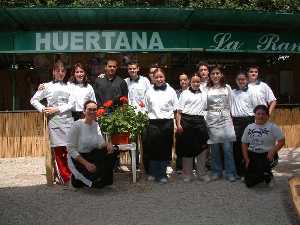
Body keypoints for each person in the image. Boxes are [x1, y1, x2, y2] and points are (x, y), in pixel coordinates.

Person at [30, 60, 75, 184]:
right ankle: (64, 177)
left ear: (65, 72)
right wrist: (43, 109)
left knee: (70, 149)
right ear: (53, 72)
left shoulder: (70, 86)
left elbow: (72, 103)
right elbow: (34, 100)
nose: (60, 73)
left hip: (68, 121)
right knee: (58, 150)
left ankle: (72, 174)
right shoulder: (46, 85)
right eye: (58, 71)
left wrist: (57, 108)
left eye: (63, 71)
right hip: (54, 122)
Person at [67, 100, 117, 188]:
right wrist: (86, 164)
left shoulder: (96, 125)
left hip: (91, 155)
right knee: (84, 184)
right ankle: (77, 179)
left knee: (113, 150)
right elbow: (71, 149)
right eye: (89, 109)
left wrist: (108, 144)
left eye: (94, 110)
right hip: (79, 158)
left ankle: (105, 180)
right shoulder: (77, 125)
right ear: (84, 111)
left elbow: (100, 143)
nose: (92, 112)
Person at [93, 58, 129, 172]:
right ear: (105, 67)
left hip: (117, 117)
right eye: (110, 66)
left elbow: (125, 99)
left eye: (114, 66)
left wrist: (123, 114)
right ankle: (103, 165)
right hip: (102, 115)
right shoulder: (99, 81)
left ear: (116, 68)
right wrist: (99, 112)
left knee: (115, 142)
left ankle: (115, 165)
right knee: (103, 141)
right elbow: (96, 98)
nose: (112, 68)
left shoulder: (121, 82)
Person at [144, 68, 178, 183]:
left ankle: (162, 174)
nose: (159, 79)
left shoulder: (171, 91)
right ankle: (153, 173)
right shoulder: (149, 91)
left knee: (165, 149)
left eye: (161, 77)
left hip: (167, 123)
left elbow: (175, 109)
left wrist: (176, 124)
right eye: (156, 77)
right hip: (153, 122)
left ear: (165, 77)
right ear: (153, 78)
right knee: (153, 148)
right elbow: (146, 108)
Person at [176, 74, 210, 182]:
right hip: (186, 122)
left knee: (202, 148)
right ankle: (187, 174)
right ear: (190, 82)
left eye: (198, 82)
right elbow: (178, 111)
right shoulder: (184, 93)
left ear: (200, 82)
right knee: (187, 148)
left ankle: (201, 173)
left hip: (200, 122)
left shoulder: (204, 94)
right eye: (194, 81)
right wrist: (178, 124)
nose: (196, 83)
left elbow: (206, 109)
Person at [206, 66, 237, 182]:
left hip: (225, 120)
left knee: (228, 148)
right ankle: (216, 171)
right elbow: (204, 105)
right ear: (210, 76)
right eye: (213, 73)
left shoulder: (227, 88)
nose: (215, 75)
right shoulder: (207, 89)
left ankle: (230, 172)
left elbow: (231, 104)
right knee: (214, 149)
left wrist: (231, 118)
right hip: (212, 120)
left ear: (221, 75)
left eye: (217, 73)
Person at [242, 105, 285, 188]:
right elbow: (244, 143)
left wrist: (273, 151)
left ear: (267, 115)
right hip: (253, 154)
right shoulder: (249, 127)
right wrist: (246, 158)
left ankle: (267, 174)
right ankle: (263, 175)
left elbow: (282, 141)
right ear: (255, 115)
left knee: (261, 167)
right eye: (258, 114)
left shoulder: (273, 127)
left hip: (268, 155)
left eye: (263, 114)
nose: (261, 116)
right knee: (249, 184)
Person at [124, 60, 151, 171]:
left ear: (138, 69)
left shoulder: (145, 81)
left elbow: (149, 97)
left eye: (134, 68)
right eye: (130, 68)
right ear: (128, 70)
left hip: (143, 116)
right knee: (133, 143)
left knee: (145, 142)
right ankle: (135, 167)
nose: (132, 70)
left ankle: (147, 167)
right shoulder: (125, 82)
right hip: (131, 117)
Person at [230, 71, 256, 178]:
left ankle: (249, 169)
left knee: (249, 145)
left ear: (247, 80)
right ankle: (238, 171)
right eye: (239, 79)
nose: (241, 81)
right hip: (236, 121)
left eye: (243, 79)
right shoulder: (232, 92)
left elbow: (255, 108)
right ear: (236, 81)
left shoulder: (251, 93)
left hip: (248, 120)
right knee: (236, 147)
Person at [175, 73, 190, 173]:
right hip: (179, 120)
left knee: (190, 144)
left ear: (188, 80)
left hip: (190, 120)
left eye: (185, 79)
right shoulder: (176, 93)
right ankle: (179, 167)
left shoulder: (194, 91)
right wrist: (176, 123)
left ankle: (190, 166)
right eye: (181, 80)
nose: (183, 82)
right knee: (179, 143)